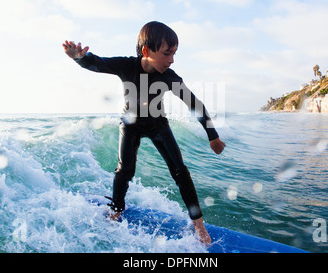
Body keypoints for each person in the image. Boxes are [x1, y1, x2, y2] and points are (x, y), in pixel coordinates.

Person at [63, 21, 226, 245]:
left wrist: (212, 135)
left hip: (158, 125)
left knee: (180, 171)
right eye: (167, 53)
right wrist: (79, 58)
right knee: (125, 170)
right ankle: (116, 210)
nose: (172, 60)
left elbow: (194, 104)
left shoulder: (169, 76)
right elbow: (98, 63)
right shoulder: (127, 66)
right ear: (146, 51)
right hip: (130, 124)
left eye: (174, 53)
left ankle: (198, 224)